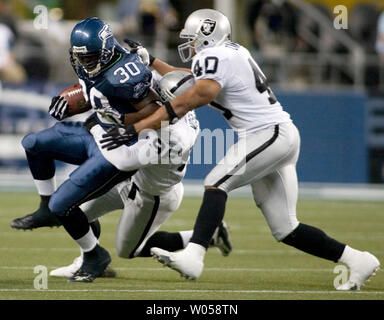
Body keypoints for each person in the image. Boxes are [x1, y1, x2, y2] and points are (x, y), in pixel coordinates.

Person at [99, 9, 380, 290]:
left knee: (216, 182)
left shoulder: (215, 56)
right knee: (286, 228)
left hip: (268, 134)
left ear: (207, 37)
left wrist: (136, 127)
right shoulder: (229, 52)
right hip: (279, 135)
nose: (190, 45)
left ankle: (195, 255)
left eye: (193, 39)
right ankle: (357, 259)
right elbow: (194, 80)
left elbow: (195, 95)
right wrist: (155, 62)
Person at [10, 17, 166, 281]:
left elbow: (157, 112)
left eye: (90, 57)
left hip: (120, 148)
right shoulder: (93, 64)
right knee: (34, 144)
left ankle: (94, 255)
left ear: (105, 50)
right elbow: (93, 94)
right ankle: (45, 207)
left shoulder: (126, 72)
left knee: (64, 205)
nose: (84, 62)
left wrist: (119, 118)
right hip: (96, 132)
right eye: (80, 57)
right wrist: (69, 100)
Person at [49, 70, 232, 280]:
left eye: (163, 100)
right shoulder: (176, 102)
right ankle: (88, 260)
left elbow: (126, 158)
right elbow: (143, 83)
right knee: (76, 211)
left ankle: (207, 235)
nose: (154, 102)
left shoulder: (174, 136)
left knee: (127, 250)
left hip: (151, 196)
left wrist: (96, 127)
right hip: (131, 179)